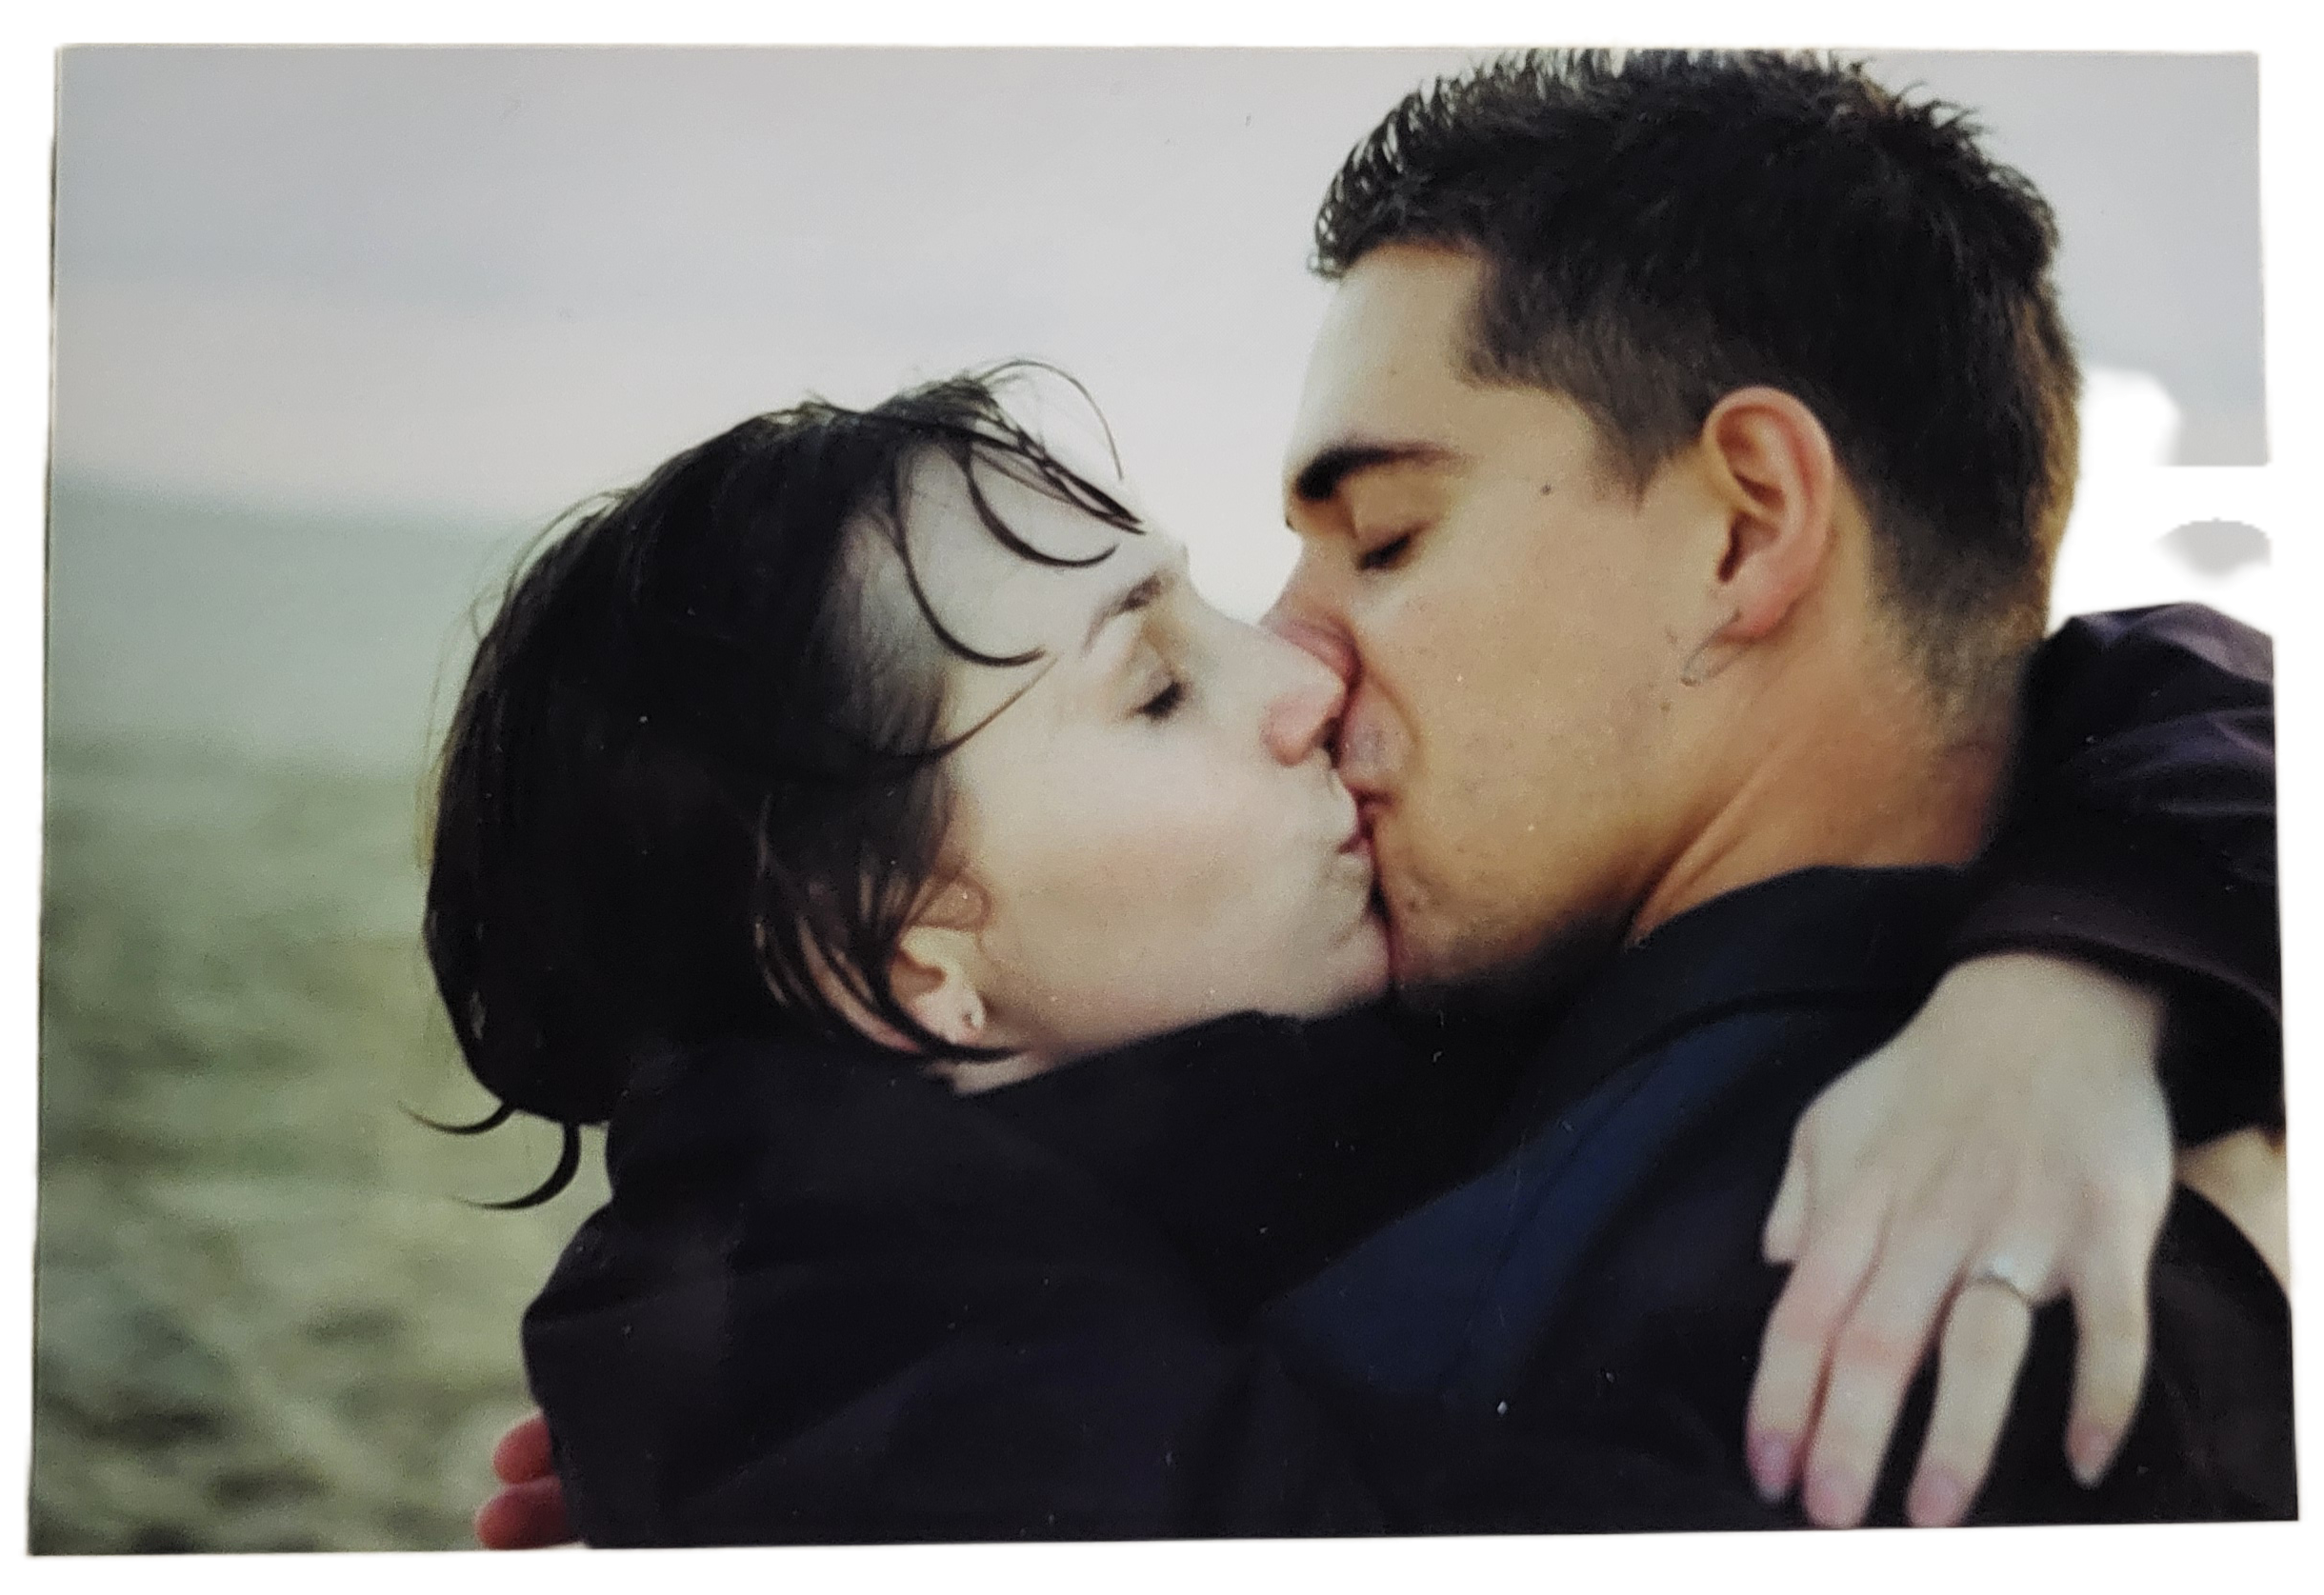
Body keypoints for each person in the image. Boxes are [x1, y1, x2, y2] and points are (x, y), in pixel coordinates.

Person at [463, 51, 2286, 1544]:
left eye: (1390, 535)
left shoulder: (1768, 1302)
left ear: (1746, 528)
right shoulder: (1424, 1138)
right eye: (1165, 677)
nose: (1299, 659)